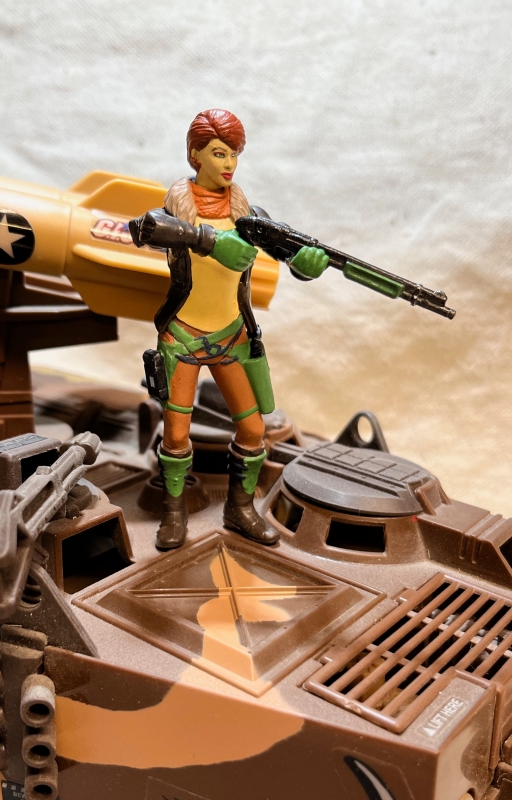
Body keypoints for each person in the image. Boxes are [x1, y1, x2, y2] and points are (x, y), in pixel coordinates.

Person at [141, 109, 328, 551]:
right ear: (195, 155)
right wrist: (209, 241)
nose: (228, 164)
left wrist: (305, 262)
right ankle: (173, 515)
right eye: (218, 153)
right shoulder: (176, 208)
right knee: (176, 435)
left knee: (253, 430)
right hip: (183, 338)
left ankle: (240, 510)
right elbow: (145, 228)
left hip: (233, 338)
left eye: (234, 154)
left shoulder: (248, 215)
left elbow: (287, 250)